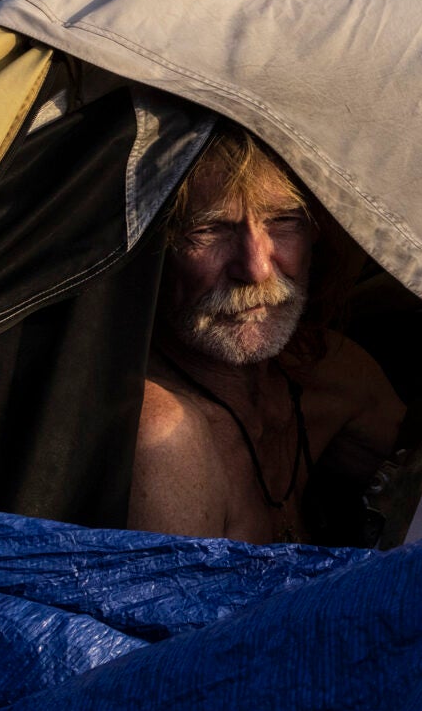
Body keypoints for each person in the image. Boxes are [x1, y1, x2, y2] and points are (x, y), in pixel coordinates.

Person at [130, 123, 405, 543]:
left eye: (284, 221)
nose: (256, 269)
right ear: (156, 249)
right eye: (209, 229)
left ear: (317, 232)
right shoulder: (166, 436)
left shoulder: (329, 371)